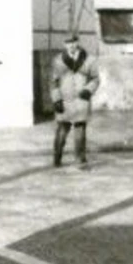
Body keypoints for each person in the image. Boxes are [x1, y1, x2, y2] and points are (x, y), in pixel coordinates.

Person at [50, 35, 99, 168]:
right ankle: (57, 157)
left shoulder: (90, 60)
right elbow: (54, 83)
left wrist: (88, 90)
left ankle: (80, 159)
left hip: (81, 100)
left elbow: (95, 79)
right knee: (62, 131)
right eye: (68, 42)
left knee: (80, 131)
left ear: (78, 42)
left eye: (73, 42)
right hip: (65, 100)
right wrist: (56, 99)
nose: (71, 45)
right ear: (64, 44)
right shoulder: (58, 60)